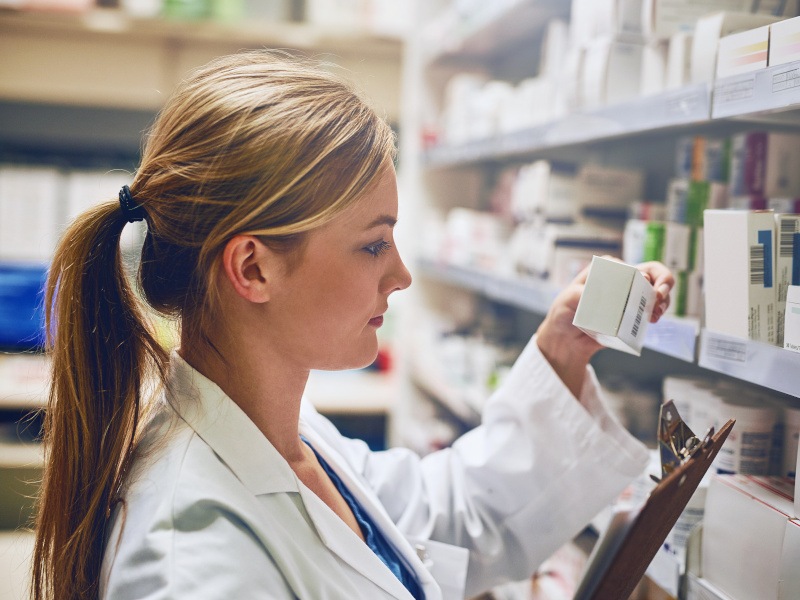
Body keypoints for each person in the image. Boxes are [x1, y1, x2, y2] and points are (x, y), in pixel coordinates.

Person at [31, 50, 674, 600]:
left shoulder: (289, 437)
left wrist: (561, 353)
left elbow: (451, 513)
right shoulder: (196, 559)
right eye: (373, 245)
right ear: (252, 269)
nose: (401, 276)